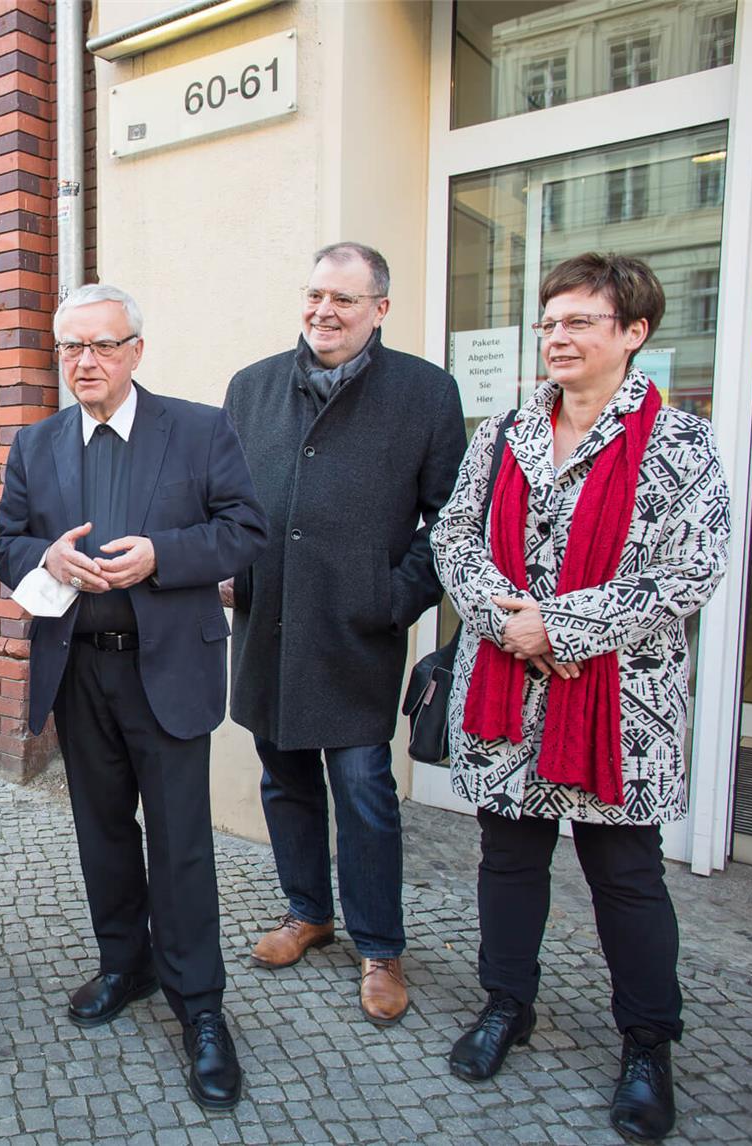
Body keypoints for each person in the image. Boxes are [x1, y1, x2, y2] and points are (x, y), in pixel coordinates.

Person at [432, 253, 730, 1143]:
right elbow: (453, 535)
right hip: (509, 692)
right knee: (509, 861)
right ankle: (505, 1005)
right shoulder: (504, 432)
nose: (558, 337)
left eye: (580, 322)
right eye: (550, 322)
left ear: (633, 334)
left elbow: (693, 568)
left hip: (619, 702)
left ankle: (647, 1043)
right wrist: (504, 618)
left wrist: (558, 627)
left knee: (627, 880)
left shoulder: (682, 443)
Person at [0, 284, 268, 1110]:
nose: (86, 361)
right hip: (79, 668)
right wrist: (47, 559)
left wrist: (164, 556)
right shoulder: (35, 444)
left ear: (137, 351)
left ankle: (201, 1007)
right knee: (102, 831)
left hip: (167, 665)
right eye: (71, 347)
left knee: (180, 841)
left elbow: (247, 531)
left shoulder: (197, 427)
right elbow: (5, 543)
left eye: (103, 346)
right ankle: (126, 964)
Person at [220, 242, 466, 1028]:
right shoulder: (253, 386)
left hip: (355, 631)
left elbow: (453, 522)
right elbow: (223, 499)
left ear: (380, 310)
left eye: (346, 300)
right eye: (316, 294)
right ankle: (306, 912)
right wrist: (228, 567)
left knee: (363, 791)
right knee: (282, 778)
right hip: (267, 622)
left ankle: (381, 948)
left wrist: (393, 597)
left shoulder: (425, 394)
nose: (324, 311)